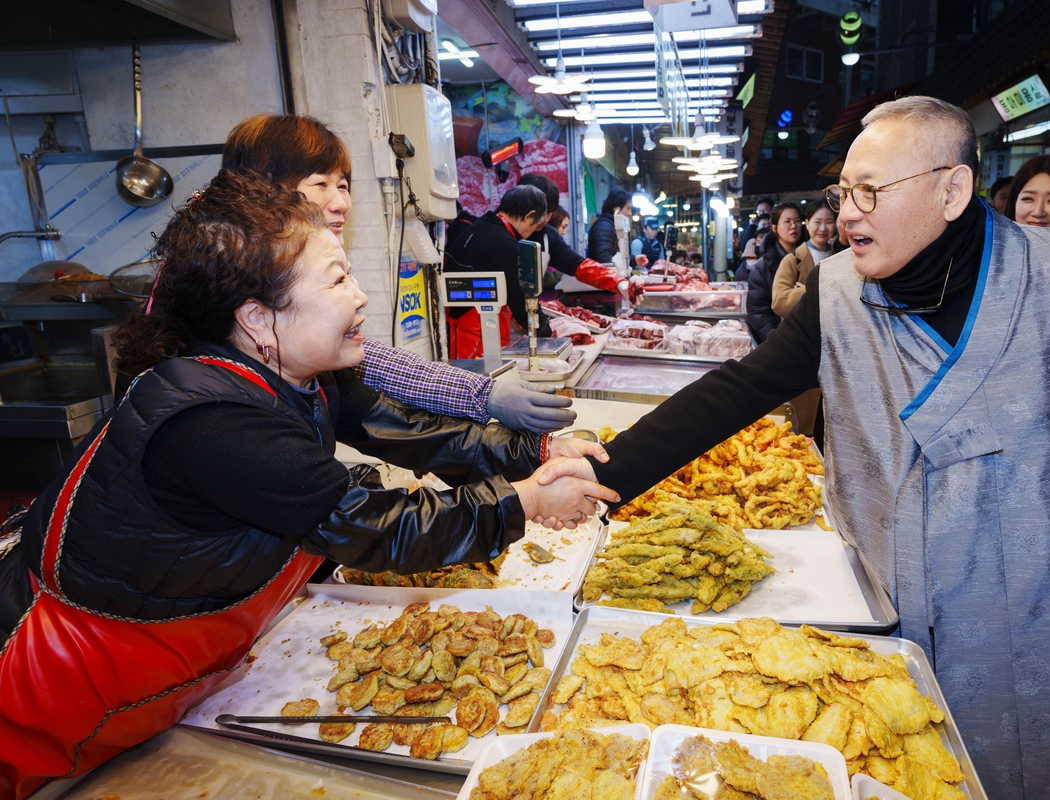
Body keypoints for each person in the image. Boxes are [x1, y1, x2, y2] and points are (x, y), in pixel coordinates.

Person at [541, 96, 1050, 800]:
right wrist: (607, 468)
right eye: (843, 193)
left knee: (1031, 762)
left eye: (870, 192)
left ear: (952, 190)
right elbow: (742, 388)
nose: (845, 215)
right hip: (891, 581)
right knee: (887, 754)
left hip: (1041, 588)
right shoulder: (837, 288)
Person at [0, 170, 619, 799]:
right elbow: (377, 526)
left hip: (176, 670)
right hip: (57, 678)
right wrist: (529, 501)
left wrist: (537, 448)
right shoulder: (213, 426)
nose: (360, 298)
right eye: (337, 279)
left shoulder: (303, 376)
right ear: (258, 317)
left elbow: (414, 430)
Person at [221, 114, 572, 433]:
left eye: (343, 185)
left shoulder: (318, 363)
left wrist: (484, 396)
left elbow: (380, 384)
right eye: (320, 184)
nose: (341, 202)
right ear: (263, 190)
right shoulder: (227, 390)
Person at [516, 173, 641, 307]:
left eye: (549, 212)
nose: (546, 219)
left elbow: (579, 265)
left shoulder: (548, 235)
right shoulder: (500, 234)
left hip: (535, 311)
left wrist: (618, 282)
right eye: (542, 212)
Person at [446, 184, 548, 334]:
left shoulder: (478, 227)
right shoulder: (504, 243)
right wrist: (546, 333)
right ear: (529, 216)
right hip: (476, 333)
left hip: (458, 326)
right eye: (535, 226)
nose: (530, 233)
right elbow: (524, 301)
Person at [746, 202, 802, 343]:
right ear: (774, 228)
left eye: (797, 221)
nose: (793, 226)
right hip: (780, 341)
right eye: (787, 222)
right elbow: (758, 310)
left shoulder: (810, 257)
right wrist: (775, 341)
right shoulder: (763, 266)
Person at [771, 199, 835, 317]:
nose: (823, 228)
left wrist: (799, 291)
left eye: (829, 222)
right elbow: (778, 303)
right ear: (807, 223)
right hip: (800, 333)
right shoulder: (792, 260)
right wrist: (812, 289)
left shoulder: (838, 258)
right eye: (817, 222)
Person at [587, 190, 632, 263]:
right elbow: (604, 258)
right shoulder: (604, 226)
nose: (630, 213)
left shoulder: (615, 226)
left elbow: (618, 257)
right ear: (616, 208)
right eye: (628, 208)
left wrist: (634, 260)